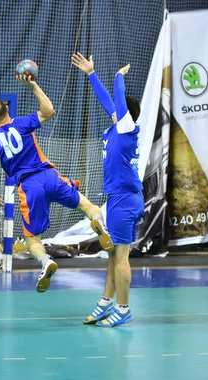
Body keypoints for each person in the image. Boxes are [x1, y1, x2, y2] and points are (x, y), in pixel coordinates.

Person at [0, 74, 114, 293]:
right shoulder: (22, 123)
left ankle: (46, 262)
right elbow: (49, 111)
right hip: (50, 176)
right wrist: (33, 84)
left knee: (32, 238)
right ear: (7, 109)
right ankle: (102, 225)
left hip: (29, 187)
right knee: (87, 206)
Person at [71, 53, 144, 327]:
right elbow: (107, 99)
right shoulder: (117, 129)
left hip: (125, 201)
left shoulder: (127, 128)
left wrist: (119, 75)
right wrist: (91, 73)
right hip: (119, 200)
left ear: (126, 112)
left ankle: (123, 308)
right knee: (113, 255)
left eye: (119, 107)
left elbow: (116, 94)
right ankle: (106, 302)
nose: (113, 108)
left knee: (121, 257)